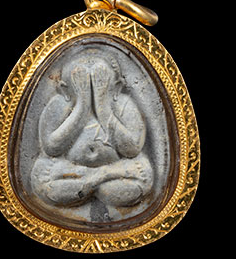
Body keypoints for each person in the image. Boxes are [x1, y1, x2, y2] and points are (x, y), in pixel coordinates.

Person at [31, 52, 153, 221]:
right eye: (82, 85)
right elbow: (51, 148)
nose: (91, 92)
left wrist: (103, 107)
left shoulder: (122, 103)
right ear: (65, 90)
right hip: (69, 171)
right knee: (43, 179)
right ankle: (96, 179)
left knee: (142, 176)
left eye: (99, 84)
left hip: (114, 170)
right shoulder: (59, 104)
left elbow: (132, 149)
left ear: (117, 87)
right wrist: (82, 106)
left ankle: (98, 178)